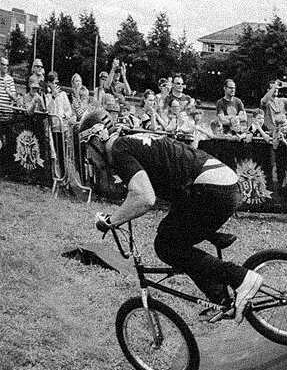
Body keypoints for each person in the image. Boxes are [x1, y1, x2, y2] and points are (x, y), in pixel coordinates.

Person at [80, 109, 264, 319]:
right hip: (219, 184)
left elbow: (144, 197)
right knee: (168, 233)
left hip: (211, 187)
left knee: (167, 246)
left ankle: (242, 278)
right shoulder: (128, 143)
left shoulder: (119, 150)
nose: (88, 157)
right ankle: (220, 298)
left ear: (98, 137)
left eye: (87, 147)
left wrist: (111, 221)